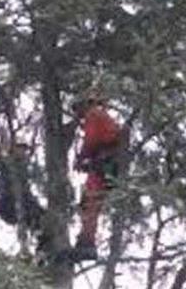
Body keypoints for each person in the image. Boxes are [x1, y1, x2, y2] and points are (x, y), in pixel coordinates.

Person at [70, 88, 124, 261]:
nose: (79, 116)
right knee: (90, 203)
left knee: (90, 203)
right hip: (106, 164)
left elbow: (91, 141)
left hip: (104, 164)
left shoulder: (94, 115)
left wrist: (81, 158)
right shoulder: (102, 117)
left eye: (78, 110)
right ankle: (85, 241)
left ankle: (87, 244)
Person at [0, 133, 46, 242]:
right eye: (20, 148)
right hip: (7, 205)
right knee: (32, 208)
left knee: (41, 213)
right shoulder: (7, 163)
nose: (23, 152)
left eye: (24, 149)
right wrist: (2, 142)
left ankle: (41, 237)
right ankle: (36, 232)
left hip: (21, 204)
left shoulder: (23, 166)